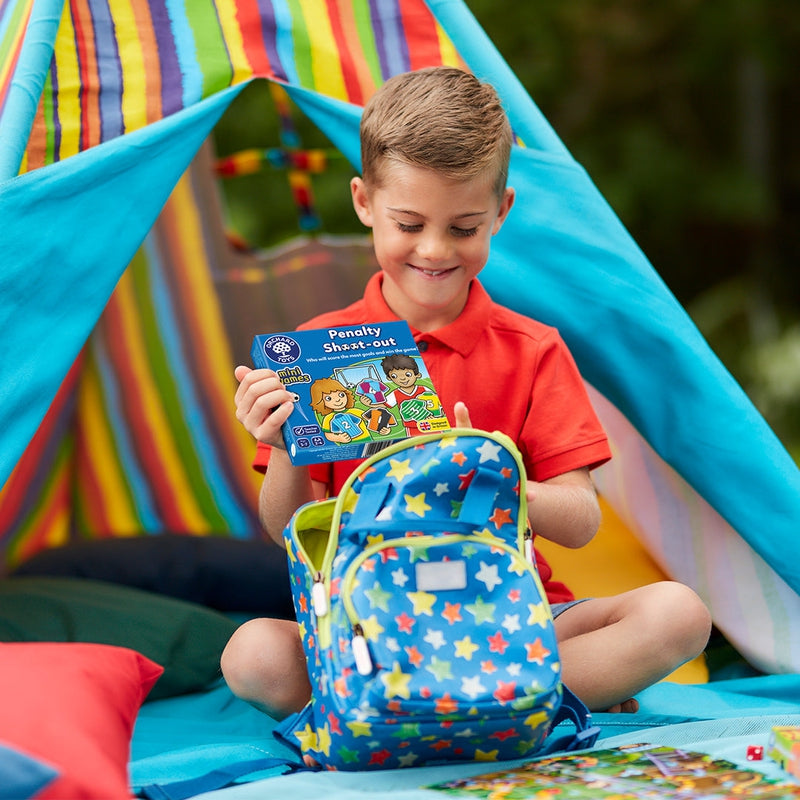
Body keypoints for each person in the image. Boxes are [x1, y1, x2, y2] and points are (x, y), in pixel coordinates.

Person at [222, 66, 712, 721]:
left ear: (501, 212)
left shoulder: (532, 350)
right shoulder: (319, 349)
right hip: (369, 628)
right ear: (364, 203)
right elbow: (288, 529)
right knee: (251, 655)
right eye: (409, 222)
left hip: (513, 617)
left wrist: (487, 469)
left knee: (679, 614)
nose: (433, 249)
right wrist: (283, 444)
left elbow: (581, 520)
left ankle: (453, 703)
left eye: (462, 227)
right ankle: (518, 700)